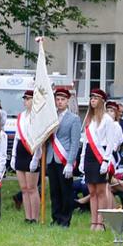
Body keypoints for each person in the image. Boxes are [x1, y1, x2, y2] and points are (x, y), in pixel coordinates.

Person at [80, 88, 123, 231]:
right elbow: (86, 142)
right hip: (89, 155)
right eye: (91, 98)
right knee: (92, 192)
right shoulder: (89, 119)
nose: (92, 100)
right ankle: (93, 221)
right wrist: (82, 159)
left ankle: (101, 222)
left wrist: (106, 161)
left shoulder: (107, 119)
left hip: (101, 156)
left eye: (95, 98)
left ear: (101, 101)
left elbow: (111, 142)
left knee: (100, 191)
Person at [47, 87, 80, 227]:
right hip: (51, 157)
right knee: (54, 191)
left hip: (64, 158)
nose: (60, 102)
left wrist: (70, 162)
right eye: (58, 99)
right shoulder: (51, 117)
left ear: (67, 101)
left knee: (65, 191)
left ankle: (65, 219)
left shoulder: (74, 119)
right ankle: (55, 218)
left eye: (62, 99)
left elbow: (75, 142)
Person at [13, 91, 43, 224]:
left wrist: (36, 158)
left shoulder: (38, 117)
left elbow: (39, 140)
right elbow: (16, 137)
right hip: (20, 150)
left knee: (32, 188)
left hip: (31, 150)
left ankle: (34, 217)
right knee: (24, 188)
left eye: (28, 98)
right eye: (24, 99)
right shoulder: (21, 116)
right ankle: (27, 216)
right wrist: (13, 156)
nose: (26, 101)